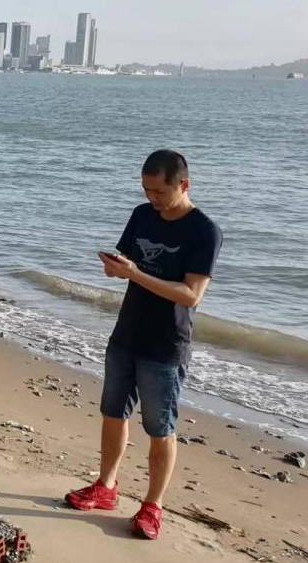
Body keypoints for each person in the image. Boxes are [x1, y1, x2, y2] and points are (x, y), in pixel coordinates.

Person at [65, 149, 223, 540]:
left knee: (159, 428)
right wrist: (117, 269)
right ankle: (106, 486)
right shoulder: (141, 215)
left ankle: (153, 506)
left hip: (166, 344)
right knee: (112, 413)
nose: (152, 198)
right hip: (127, 333)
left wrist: (135, 274)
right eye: (146, 190)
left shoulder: (204, 231)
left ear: (183, 185)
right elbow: (129, 264)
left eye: (159, 192)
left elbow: (191, 295)